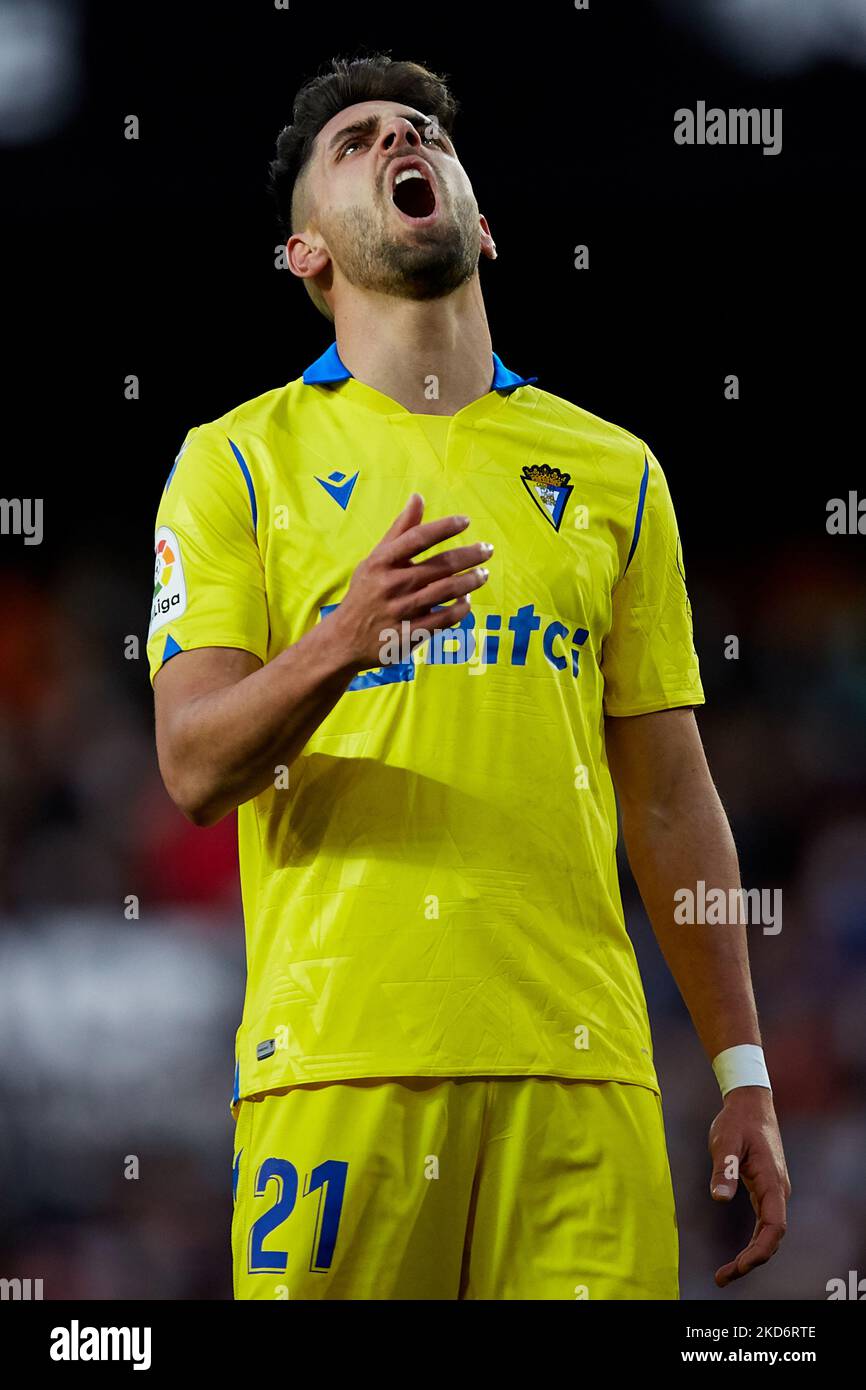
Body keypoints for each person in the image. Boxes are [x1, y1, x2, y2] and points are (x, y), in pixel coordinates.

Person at [147, 53, 789, 1300]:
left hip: (584, 1076)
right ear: (306, 256)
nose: (403, 142)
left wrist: (741, 1071)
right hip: (340, 1069)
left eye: (422, 133)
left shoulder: (613, 471)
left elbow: (666, 801)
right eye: (357, 142)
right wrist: (343, 640)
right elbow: (192, 767)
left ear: (479, 222)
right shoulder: (236, 463)